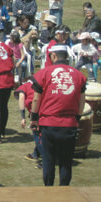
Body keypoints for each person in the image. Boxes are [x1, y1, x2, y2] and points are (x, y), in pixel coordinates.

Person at [30, 44, 86, 186]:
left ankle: (49, 191)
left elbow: (36, 99)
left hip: (48, 123)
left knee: (48, 160)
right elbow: (82, 101)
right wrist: (77, 118)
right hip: (69, 124)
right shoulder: (79, 75)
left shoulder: (43, 73)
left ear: (53, 56)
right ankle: (64, 191)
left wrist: (34, 119)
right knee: (66, 162)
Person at [15, 77, 42, 167]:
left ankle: (47, 160)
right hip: (48, 109)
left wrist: (23, 117)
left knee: (38, 135)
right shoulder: (41, 84)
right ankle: (36, 153)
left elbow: (21, 98)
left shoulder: (25, 86)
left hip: (39, 112)